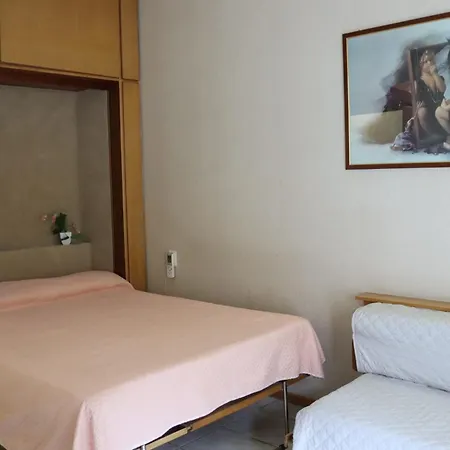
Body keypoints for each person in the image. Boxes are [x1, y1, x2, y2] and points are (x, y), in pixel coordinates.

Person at [415, 49, 450, 149]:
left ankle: (446, 135)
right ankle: (435, 136)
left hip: (440, 106)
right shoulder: (419, 82)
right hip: (429, 109)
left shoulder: (439, 77)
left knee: (442, 110)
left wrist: (434, 74)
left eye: (431, 60)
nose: (429, 63)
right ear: (421, 65)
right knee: (421, 112)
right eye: (426, 61)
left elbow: (442, 89)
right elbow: (417, 99)